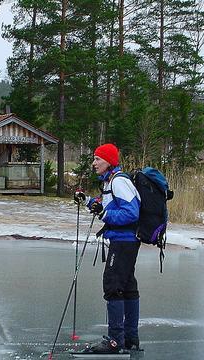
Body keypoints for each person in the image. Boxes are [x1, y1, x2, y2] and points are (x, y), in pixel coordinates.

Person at [74, 143, 141, 354]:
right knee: (127, 286)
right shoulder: (111, 181)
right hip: (126, 241)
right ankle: (130, 338)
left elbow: (132, 213)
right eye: (94, 159)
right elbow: (107, 207)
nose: (93, 163)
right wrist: (87, 201)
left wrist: (104, 215)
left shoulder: (119, 181)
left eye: (97, 159)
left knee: (113, 285)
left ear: (109, 162)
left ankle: (115, 341)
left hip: (124, 241)